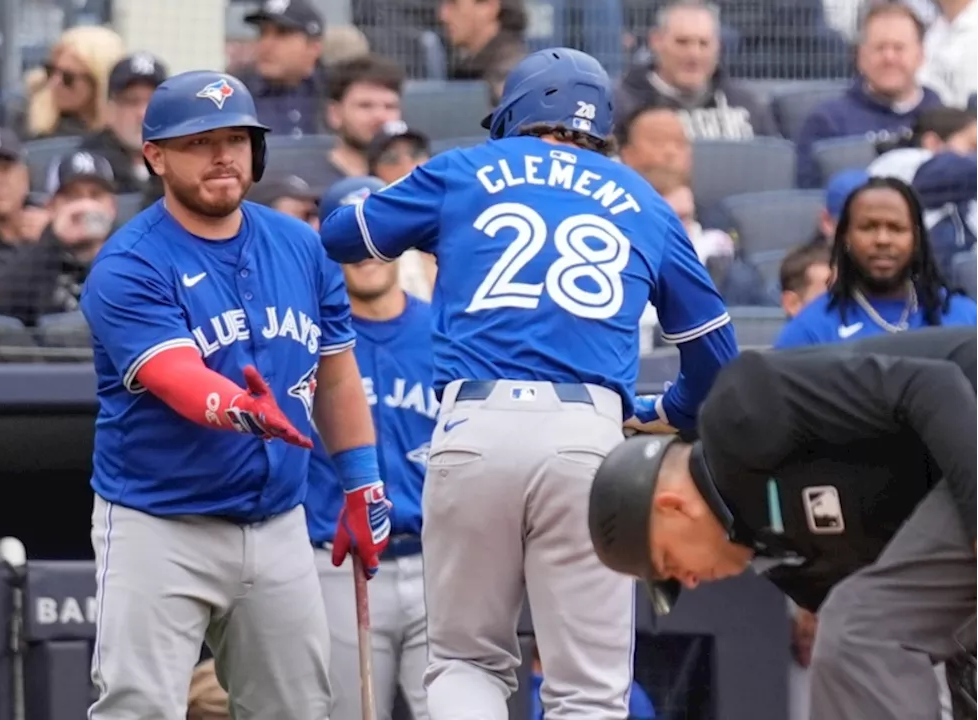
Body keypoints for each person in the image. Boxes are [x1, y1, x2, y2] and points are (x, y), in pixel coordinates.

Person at [320, 48, 738, 719]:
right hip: (590, 437)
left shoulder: (464, 169)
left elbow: (343, 235)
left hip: (472, 429)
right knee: (590, 688)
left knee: (465, 661)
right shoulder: (643, 199)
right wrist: (663, 409)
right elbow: (718, 362)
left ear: (514, 112)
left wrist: (428, 220)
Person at [79, 70, 390, 720]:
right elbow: (176, 376)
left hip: (277, 523)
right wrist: (237, 407)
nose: (223, 155)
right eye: (199, 142)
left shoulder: (303, 247)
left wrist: (362, 482)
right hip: (159, 523)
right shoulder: (128, 264)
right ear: (156, 157)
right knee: (137, 709)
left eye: (236, 139)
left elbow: (335, 373)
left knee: (298, 708)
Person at [586, 325, 978, 720]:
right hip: (952, 495)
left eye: (669, 564)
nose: (688, 581)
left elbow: (934, 386)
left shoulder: (741, 410)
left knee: (859, 635)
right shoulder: (783, 560)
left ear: (673, 506)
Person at [308, 175, 433, 720]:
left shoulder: (442, 330)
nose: (364, 255)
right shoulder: (307, 339)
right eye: (350, 241)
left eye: (373, 237)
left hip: (436, 560)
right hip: (340, 565)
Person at [774, 175, 978, 348]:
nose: (882, 240)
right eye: (868, 227)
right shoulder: (810, 329)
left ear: (916, 240)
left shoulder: (965, 319)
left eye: (896, 228)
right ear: (845, 237)